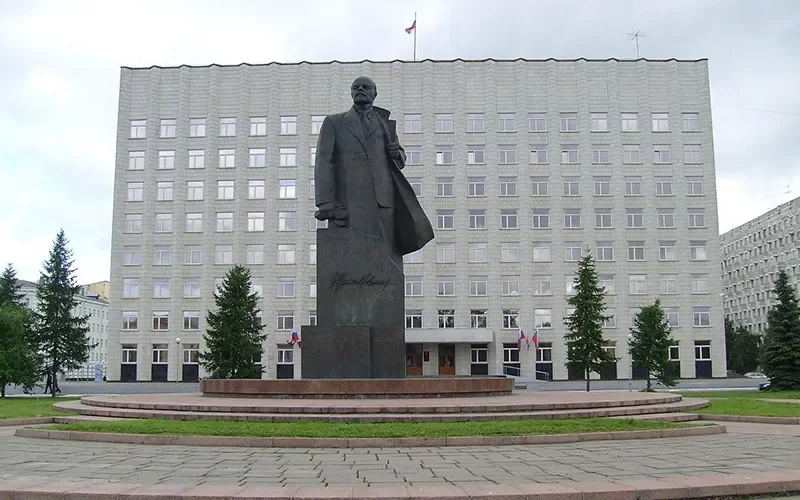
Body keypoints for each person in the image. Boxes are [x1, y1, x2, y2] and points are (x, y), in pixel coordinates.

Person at [314, 76, 433, 263]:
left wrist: (397, 154)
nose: (360, 89)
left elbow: (400, 158)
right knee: (352, 257)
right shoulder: (334, 122)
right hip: (349, 201)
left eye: (366, 87)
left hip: (383, 200)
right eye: (356, 87)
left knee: (386, 256)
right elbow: (324, 162)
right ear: (351, 92)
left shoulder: (385, 123)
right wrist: (326, 203)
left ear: (374, 94)